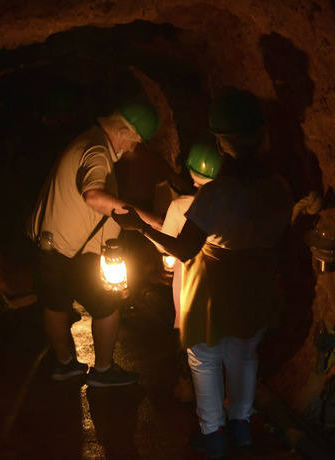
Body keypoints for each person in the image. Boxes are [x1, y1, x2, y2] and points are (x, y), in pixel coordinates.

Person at [112, 88, 293, 458]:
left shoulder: (218, 194)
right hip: (257, 283)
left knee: (205, 357)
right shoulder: (279, 187)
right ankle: (241, 428)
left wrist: (140, 227)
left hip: (214, 289)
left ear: (223, 143)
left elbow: (184, 248)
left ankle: (213, 435)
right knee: (244, 354)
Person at [27, 98, 161, 386]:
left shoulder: (86, 140)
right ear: (124, 131)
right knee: (108, 305)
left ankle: (65, 364)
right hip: (73, 252)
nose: (133, 148)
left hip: (51, 247)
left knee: (55, 305)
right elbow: (93, 196)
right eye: (135, 141)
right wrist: (149, 221)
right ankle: (103, 370)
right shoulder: (99, 150)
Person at [158, 142, 222, 402]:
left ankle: (187, 388)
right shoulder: (231, 206)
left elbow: (166, 247)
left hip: (188, 287)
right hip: (223, 285)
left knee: (187, 335)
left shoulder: (179, 206)